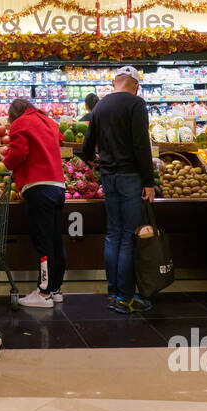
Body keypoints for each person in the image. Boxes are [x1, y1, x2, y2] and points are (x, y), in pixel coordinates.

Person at [78, 66, 156, 314]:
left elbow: (87, 145)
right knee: (128, 235)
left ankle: (113, 291)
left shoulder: (99, 106)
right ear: (135, 85)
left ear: (115, 83)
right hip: (131, 176)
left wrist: (93, 160)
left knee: (112, 234)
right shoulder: (135, 105)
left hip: (108, 177)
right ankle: (125, 296)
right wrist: (148, 181)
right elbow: (142, 144)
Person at [0, 98, 67, 309]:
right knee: (56, 240)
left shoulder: (20, 123)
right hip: (58, 185)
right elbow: (61, 140)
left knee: (43, 243)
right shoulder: (48, 121)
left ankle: (44, 293)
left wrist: (6, 159)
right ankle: (55, 289)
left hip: (38, 186)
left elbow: (19, 153)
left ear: (14, 114)